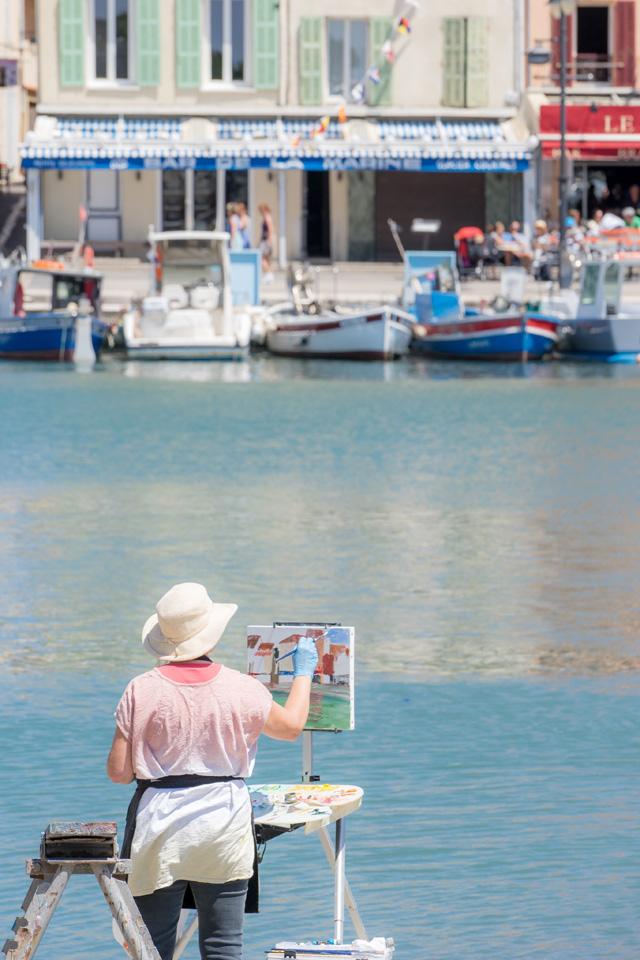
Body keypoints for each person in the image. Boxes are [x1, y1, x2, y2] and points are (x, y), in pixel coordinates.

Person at [107, 582, 318, 960]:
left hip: (159, 825)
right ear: (211, 637)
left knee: (151, 947)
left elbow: (119, 773)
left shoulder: (141, 689)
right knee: (223, 947)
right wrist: (304, 673)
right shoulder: (242, 687)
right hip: (224, 820)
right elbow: (290, 728)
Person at [258, 203, 275, 283]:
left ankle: (268, 274)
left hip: (266, 240)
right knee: (267, 258)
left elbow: (270, 229)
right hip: (265, 239)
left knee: (262, 258)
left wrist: (268, 240)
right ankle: (269, 274)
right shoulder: (266, 217)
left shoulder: (267, 217)